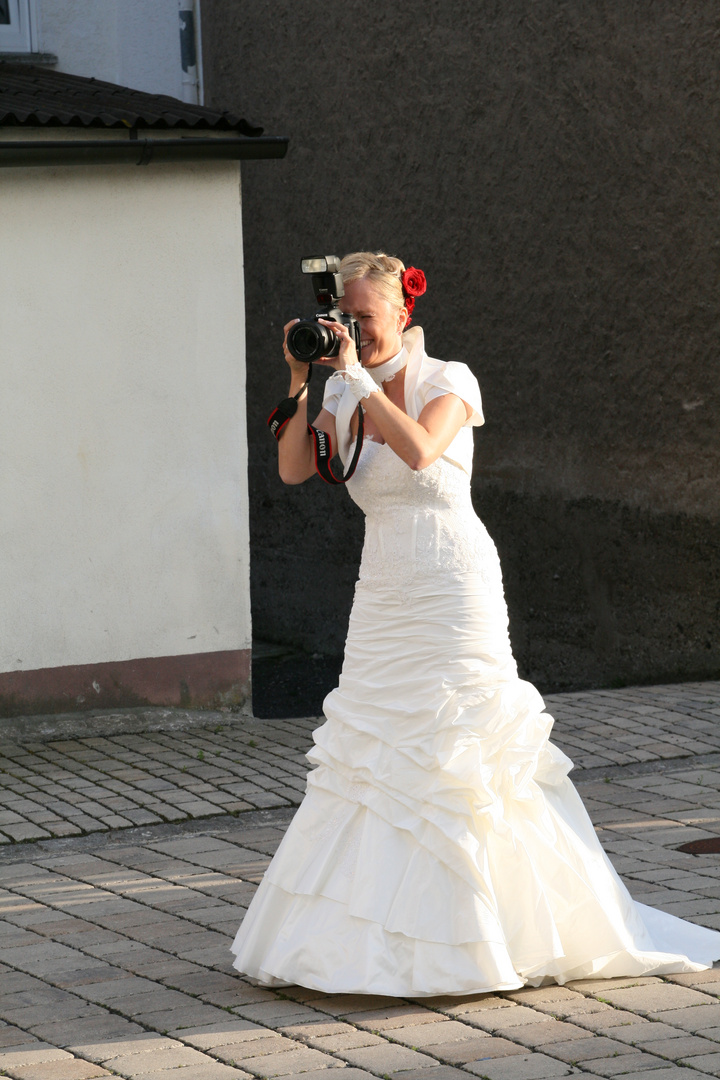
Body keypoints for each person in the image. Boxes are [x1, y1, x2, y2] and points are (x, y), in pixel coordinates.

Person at [231, 251, 720, 995]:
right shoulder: (336, 390)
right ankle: (363, 939)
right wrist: (303, 382)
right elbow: (296, 470)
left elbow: (424, 455)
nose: (353, 330)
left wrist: (358, 380)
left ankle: (494, 930)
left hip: (453, 582)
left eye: (365, 317)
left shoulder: (449, 379)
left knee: (466, 749)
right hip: (384, 585)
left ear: (402, 314)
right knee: (374, 747)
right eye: (346, 317)